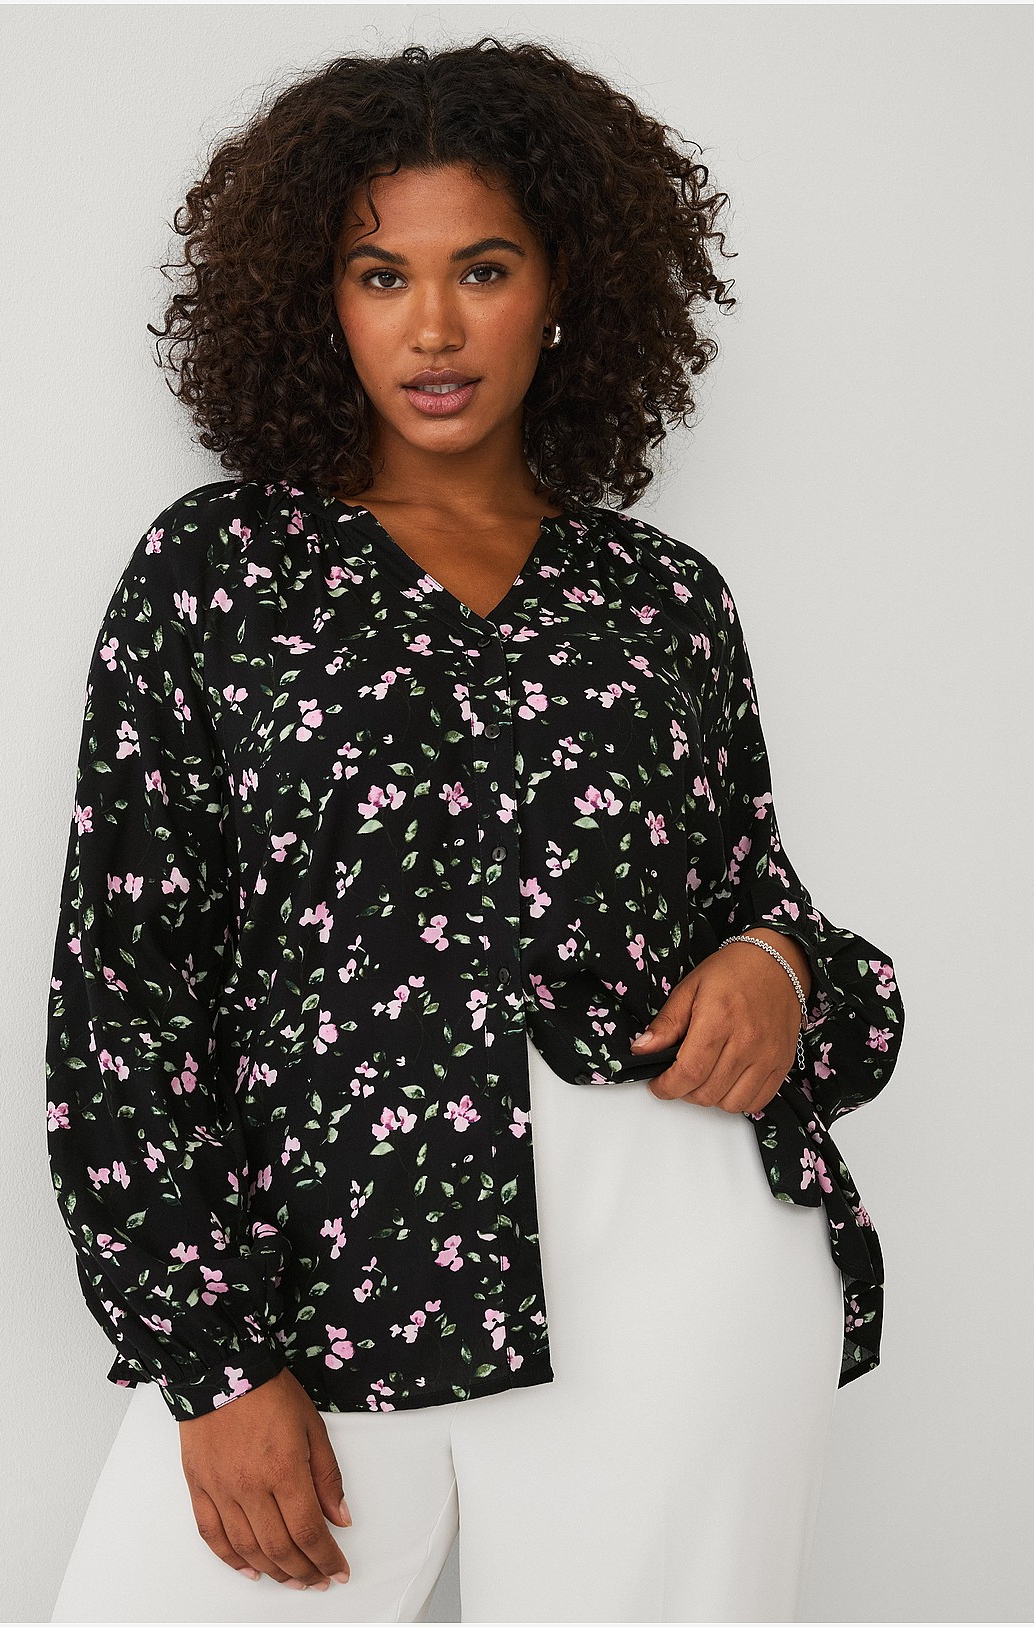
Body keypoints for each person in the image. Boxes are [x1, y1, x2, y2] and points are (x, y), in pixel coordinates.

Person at [45, 37, 905, 1624]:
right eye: (382, 275)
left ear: (563, 288)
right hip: (328, 1262)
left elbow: (774, 917)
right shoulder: (219, 572)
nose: (433, 327)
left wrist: (780, 968)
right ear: (321, 299)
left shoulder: (659, 601)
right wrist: (212, 1359)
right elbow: (123, 991)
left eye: (484, 270)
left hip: (679, 1269)